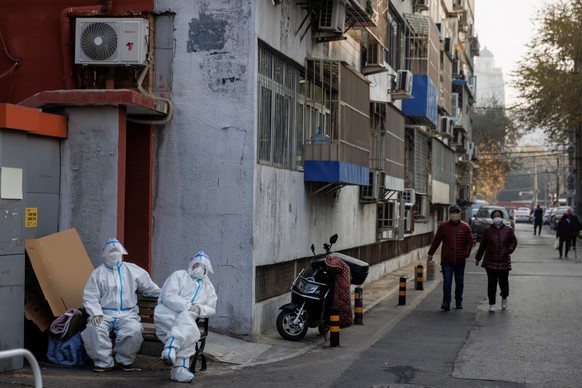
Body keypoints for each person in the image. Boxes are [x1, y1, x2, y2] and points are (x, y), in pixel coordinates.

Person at [81, 238, 161, 372]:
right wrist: (95, 312)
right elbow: (90, 295)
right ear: (105, 253)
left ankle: (124, 361)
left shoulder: (133, 270)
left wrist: (167, 295)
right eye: (111, 251)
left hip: (127, 314)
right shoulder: (98, 274)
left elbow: (150, 288)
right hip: (104, 314)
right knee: (94, 329)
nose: (114, 253)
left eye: (117, 250)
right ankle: (103, 362)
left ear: (122, 253)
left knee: (133, 331)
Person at [154, 251, 217, 383]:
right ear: (191, 265)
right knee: (189, 330)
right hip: (167, 315)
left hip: (186, 320)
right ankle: (179, 369)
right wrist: (187, 306)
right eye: (197, 265)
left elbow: (211, 307)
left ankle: (171, 349)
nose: (199, 268)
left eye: (203, 266)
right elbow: (168, 296)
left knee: (190, 330)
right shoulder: (179, 276)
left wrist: (199, 309)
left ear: (207, 269)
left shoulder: (208, 287)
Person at [427, 204, 474, 311]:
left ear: (459, 214)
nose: (454, 215)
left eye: (456, 213)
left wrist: (466, 254)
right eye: (452, 212)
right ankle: (446, 302)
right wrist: (431, 253)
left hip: (460, 260)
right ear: (449, 214)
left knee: (460, 282)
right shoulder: (443, 227)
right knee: (447, 281)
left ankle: (458, 301)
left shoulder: (466, 227)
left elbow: (470, 243)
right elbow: (436, 241)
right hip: (447, 259)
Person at [475, 209, 518, 313]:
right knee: (492, 284)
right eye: (495, 216)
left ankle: (504, 298)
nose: (497, 218)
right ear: (492, 218)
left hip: (504, 261)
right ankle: (492, 303)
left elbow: (514, 242)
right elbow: (482, 245)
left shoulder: (508, 229)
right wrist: (478, 258)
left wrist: (509, 250)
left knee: (504, 284)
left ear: (502, 217)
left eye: (498, 216)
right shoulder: (488, 230)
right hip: (490, 261)